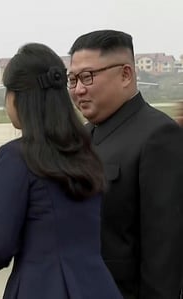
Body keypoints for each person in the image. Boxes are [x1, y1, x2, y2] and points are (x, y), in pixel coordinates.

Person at [0, 43, 122, 299]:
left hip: (42, 286)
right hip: (96, 285)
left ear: (18, 98)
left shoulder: (15, 156)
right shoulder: (86, 152)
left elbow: (1, 246)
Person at [68, 29, 183, 299]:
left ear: (125, 75)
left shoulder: (158, 136)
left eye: (88, 77)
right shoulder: (82, 138)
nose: (78, 89)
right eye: (72, 79)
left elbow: (163, 254)